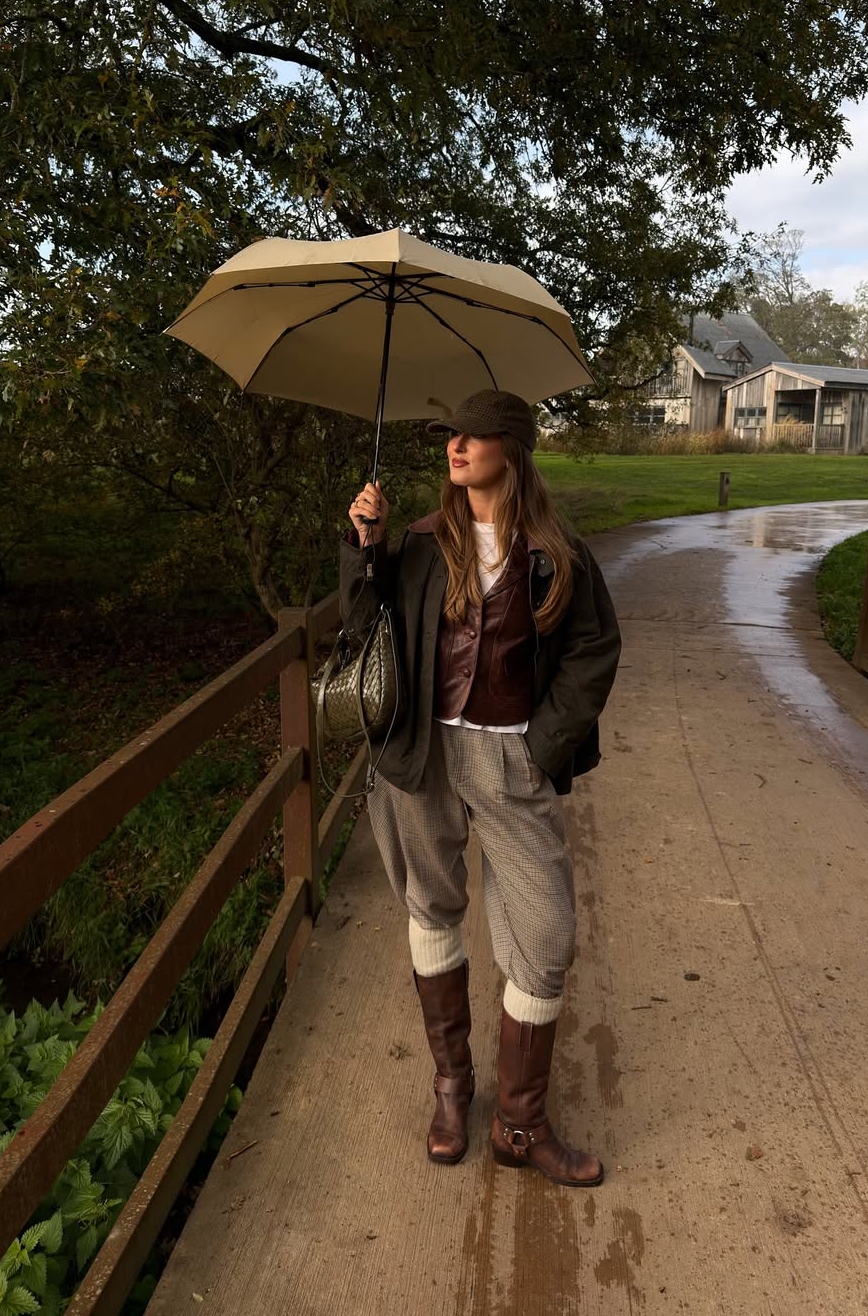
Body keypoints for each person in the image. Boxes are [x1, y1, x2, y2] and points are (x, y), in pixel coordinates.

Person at [340, 389, 621, 1187]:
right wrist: (365, 546)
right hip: (422, 757)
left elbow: (595, 651)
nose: (456, 447)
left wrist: (543, 746)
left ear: (513, 445)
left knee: (546, 935)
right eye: (449, 436)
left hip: (511, 761)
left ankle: (520, 1123)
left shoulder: (556, 549)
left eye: (473, 434)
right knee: (431, 907)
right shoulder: (426, 540)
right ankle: (453, 1087)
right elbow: (363, 628)